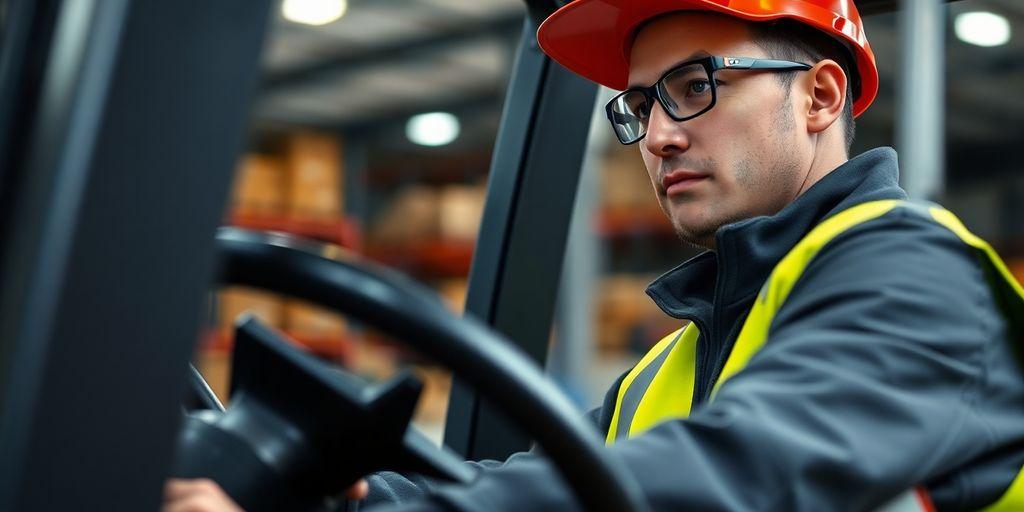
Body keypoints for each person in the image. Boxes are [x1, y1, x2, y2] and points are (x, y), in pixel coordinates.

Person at [164, 1, 1024, 510]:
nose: (653, 136)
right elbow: (546, 477)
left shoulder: (921, 281)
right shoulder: (673, 366)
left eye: (694, 88)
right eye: (640, 104)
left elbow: (727, 479)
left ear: (819, 97)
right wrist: (343, 494)